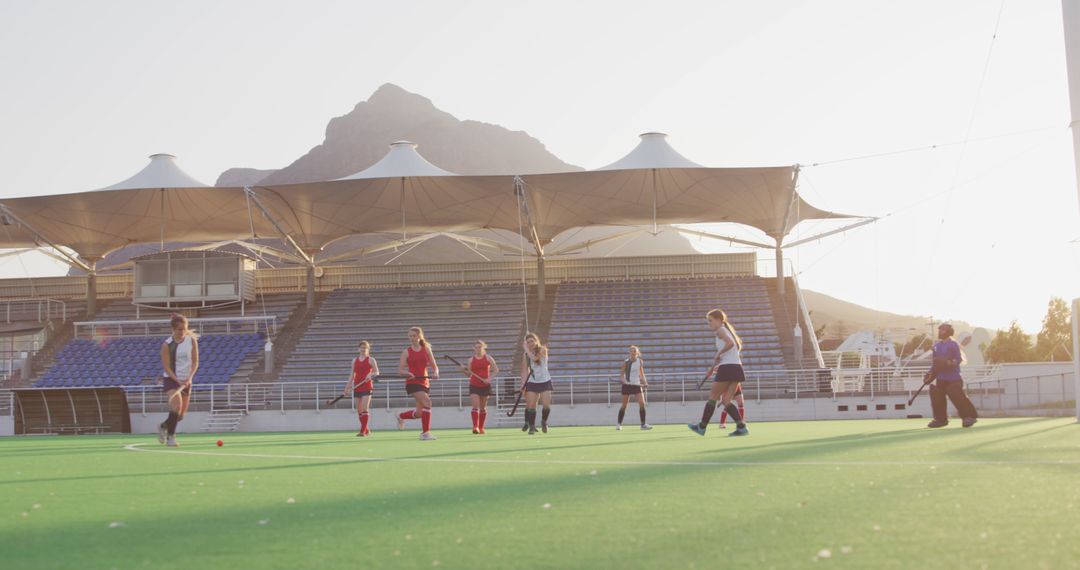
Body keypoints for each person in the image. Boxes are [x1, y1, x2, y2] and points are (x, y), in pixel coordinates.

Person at [688, 309, 749, 437]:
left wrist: (718, 353)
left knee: (713, 397)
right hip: (736, 368)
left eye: (710, 320)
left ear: (718, 320)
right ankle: (742, 427)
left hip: (727, 368)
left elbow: (730, 344)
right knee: (726, 401)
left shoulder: (720, 330)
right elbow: (729, 353)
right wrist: (713, 367)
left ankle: (701, 426)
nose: (709, 323)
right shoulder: (726, 330)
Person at [157, 314, 199, 448]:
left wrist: (190, 377)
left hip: (186, 380)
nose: (182, 332)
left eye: (184, 329)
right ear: (173, 329)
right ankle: (171, 438)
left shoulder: (191, 341)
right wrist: (177, 380)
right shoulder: (167, 345)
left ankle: (163, 426)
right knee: (176, 406)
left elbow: (195, 362)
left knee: (179, 416)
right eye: (179, 329)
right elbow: (166, 367)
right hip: (171, 379)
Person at [926, 323, 978, 428]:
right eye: (939, 330)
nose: (940, 332)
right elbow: (935, 363)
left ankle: (969, 417)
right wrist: (930, 373)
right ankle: (940, 419)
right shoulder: (936, 346)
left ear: (949, 332)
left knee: (955, 393)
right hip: (941, 378)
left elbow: (958, 359)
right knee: (936, 394)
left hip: (953, 378)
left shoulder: (953, 344)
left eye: (943, 330)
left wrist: (949, 363)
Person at [397, 327, 439, 440]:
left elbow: (435, 366)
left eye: (414, 336)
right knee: (427, 402)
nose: (411, 338)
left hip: (424, 382)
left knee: (420, 413)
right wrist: (408, 373)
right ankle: (425, 433)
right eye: (410, 336)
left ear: (419, 336)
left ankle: (401, 416)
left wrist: (436, 373)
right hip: (412, 382)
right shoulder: (406, 352)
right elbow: (400, 371)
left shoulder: (426, 349)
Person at [460, 340, 498, 434]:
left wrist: (489, 379)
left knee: (483, 407)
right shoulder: (471, 360)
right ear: (474, 348)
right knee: (475, 406)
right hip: (474, 385)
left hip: (485, 385)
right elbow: (469, 374)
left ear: (483, 347)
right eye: (476, 347)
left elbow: (496, 370)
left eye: (479, 347)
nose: (478, 349)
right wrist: (462, 370)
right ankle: (475, 427)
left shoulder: (488, 358)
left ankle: (481, 427)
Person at [343, 340, 379, 436]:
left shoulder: (371, 360)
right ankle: (366, 429)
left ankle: (362, 431)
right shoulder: (355, 360)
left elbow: (377, 372)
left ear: (368, 349)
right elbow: (352, 374)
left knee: (364, 409)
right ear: (358, 349)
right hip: (357, 386)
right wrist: (347, 386)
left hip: (367, 386)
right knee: (359, 410)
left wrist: (370, 374)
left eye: (365, 348)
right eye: (361, 347)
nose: (363, 349)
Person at [520, 333, 553, 435]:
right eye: (528, 342)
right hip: (533, 382)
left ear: (536, 341)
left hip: (545, 381)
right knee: (531, 406)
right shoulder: (526, 355)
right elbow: (525, 370)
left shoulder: (542, 349)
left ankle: (544, 422)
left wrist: (526, 349)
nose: (530, 344)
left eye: (532, 341)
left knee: (546, 405)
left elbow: (535, 359)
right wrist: (523, 384)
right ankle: (532, 427)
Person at [616, 345, 652, 431]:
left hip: (636, 385)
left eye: (634, 351)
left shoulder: (640, 361)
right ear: (629, 353)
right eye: (631, 351)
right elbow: (621, 374)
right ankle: (619, 424)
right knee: (624, 406)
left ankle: (643, 424)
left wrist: (645, 382)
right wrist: (623, 380)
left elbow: (641, 374)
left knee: (642, 403)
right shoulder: (626, 362)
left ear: (637, 353)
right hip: (627, 385)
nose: (633, 353)